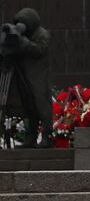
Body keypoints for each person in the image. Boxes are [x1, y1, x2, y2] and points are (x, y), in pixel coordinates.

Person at [0, 8, 53, 147]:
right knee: (29, 108)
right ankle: (30, 138)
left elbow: (39, 50)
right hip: (23, 76)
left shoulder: (42, 34)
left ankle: (47, 136)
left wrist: (22, 41)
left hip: (38, 77)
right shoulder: (21, 34)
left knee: (42, 107)